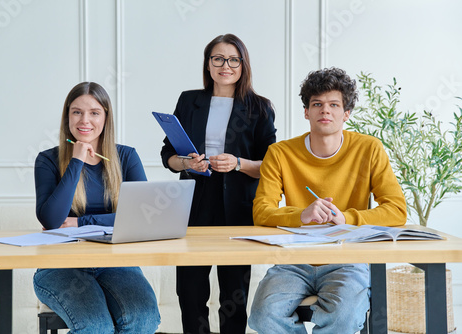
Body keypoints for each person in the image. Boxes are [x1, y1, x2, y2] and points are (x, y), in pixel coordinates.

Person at [248, 67, 407, 333]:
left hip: (347, 259)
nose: (325, 110)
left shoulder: (369, 149)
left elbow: (396, 210)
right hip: (293, 261)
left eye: (334, 104)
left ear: (346, 114)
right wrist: (301, 215)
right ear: (306, 112)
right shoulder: (280, 153)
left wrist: (348, 218)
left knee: (344, 317)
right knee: (263, 316)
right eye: (317, 104)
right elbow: (261, 211)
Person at [160, 33, 276, 334]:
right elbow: (168, 154)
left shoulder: (260, 107)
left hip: (237, 208)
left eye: (233, 59)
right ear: (208, 64)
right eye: (218, 59)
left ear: (243, 64)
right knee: (190, 291)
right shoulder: (189, 101)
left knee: (233, 295)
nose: (226, 65)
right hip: (193, 204)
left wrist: (237, 163)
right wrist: (186, 163)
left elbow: (271, 167)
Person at [33, 82, 160, 334]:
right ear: (67, 116)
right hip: (60, 265)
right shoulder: (47, 160)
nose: (85, 120)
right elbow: (51, 219)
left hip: (116, 262)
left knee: (143, 319)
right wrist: (76, 161)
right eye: (77, 112)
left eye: (94, 112)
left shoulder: (126, 157)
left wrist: (81, 222)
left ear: (106, 117)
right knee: (95, 327)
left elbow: (142, 216)